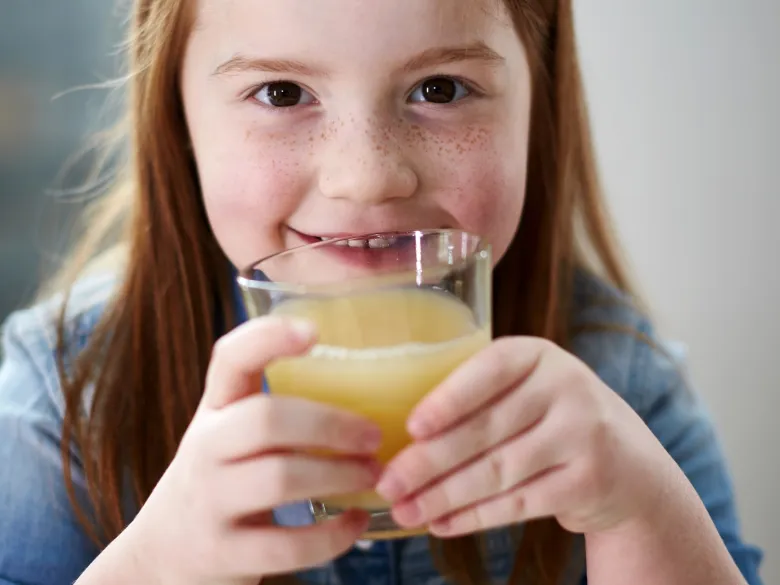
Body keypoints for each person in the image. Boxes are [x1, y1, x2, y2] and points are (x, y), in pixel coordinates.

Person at [0, 1, 764, 584]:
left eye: (440, 87)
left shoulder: (625, 388)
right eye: (280, 92)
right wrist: (153, 566)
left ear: (540, 101)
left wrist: (642, 514)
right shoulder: (57, 404)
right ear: (178, 118)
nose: (366, 177)